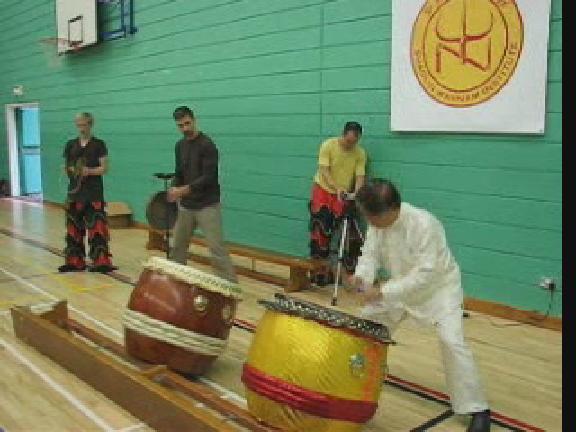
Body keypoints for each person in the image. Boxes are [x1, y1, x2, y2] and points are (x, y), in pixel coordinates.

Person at [349, 178, 491, 432]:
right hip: (397, 292)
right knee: (366, 328)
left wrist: (381, 291)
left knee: (452, 341)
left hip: (438, 291)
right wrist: (362, 278)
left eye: (370, 216)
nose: (368, 221)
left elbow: (425, 274)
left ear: (391, 209)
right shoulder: (377, 225)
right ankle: (358, 385)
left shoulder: (425, 224)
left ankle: (477, 409)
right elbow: (369, 255)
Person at [167, 106, 237, 283]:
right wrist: (174, 190)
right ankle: (175, 281)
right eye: (180, 125)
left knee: (216, 248)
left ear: (194, 120)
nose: (185, 128)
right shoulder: (179, 146)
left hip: (207, 205)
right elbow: (179, 172)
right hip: (186, 206)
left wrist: (182, 190)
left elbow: (209, 177)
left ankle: (230, 287)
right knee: (178, 247)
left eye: (187, 123)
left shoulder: (208, 145)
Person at [309, 121, 366, 286]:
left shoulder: (360, 153)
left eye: (354, 142)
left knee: (342, 231)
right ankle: (318, 272)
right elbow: (324, 170)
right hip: (324, 189)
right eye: (348, 141)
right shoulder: (328, 145)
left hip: (343, 195)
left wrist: (357, 192)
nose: (350, 145)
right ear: (343, 134)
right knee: (321, 229)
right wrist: (336, 187)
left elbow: (360, 176)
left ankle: (341, 272)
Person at [59, 112, 117, 273]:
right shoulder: (70, 145)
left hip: (93, 193)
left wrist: (89, 171)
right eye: (78, 125)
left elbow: (104, 168)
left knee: (97, 228)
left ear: (90, 124)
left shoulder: (99, 144)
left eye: (84, 124)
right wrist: (72, 170)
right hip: (75, 193)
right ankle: (74, 260)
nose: (81, 128)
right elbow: (67, 166)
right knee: (73, 228)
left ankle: (101, 261)